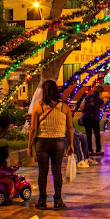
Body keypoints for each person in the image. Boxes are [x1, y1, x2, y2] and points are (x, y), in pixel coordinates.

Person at [27, 80, 74, 210]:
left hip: (42, 143)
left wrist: (29, 145)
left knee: (43, 172)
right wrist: (71, 144)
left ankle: (42, 200)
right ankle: (58, 200)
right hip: (59, 142)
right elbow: (70, 127)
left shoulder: (38, 107)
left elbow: (33, 129)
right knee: (57, 171)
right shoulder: (65, 107)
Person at [81, 86, 103, 155]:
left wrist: (85, 111)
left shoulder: (87, 97)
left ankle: (90, 150)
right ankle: (98, 150)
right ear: (100, 92)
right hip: (95, 119)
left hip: (86, 118)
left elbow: (81, 106)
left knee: (88, 134)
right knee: (97, 134)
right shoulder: (100, 100)